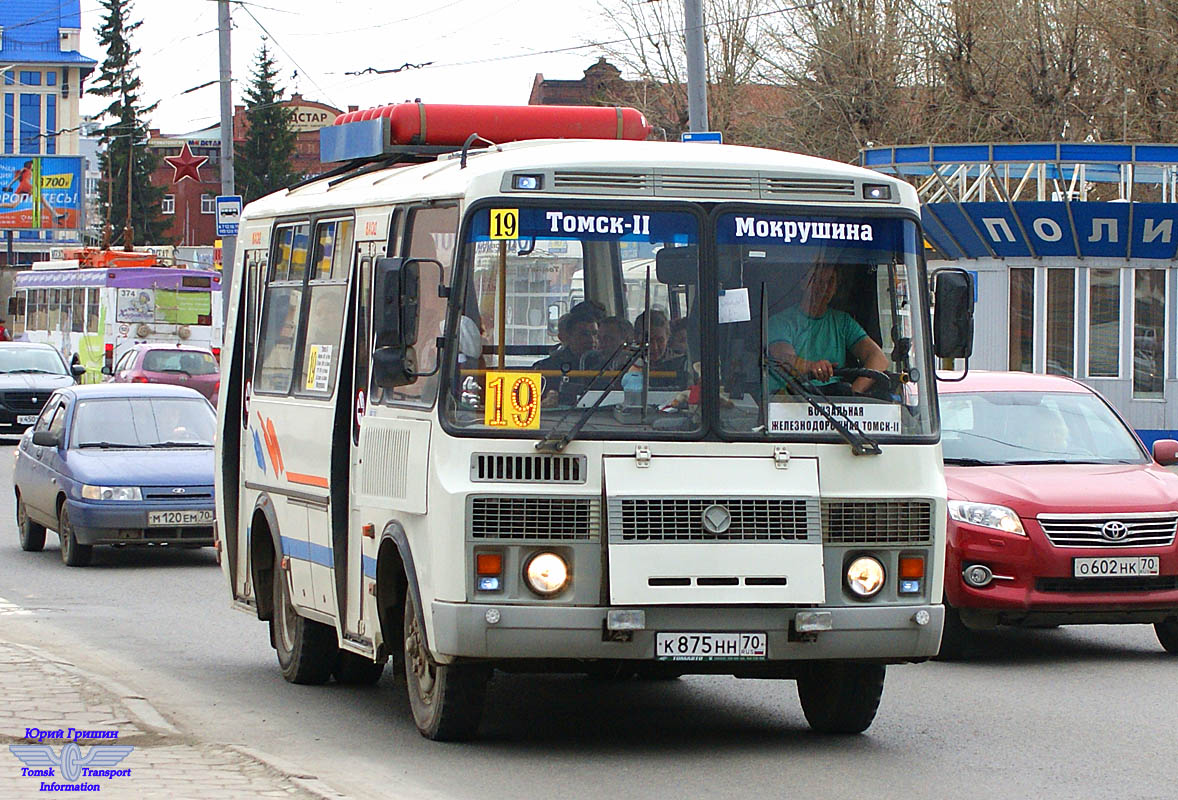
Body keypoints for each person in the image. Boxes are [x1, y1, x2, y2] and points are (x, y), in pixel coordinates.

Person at [767, 264, 888, 396]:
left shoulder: (843, 322)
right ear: (802, 283)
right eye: (817, 280)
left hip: (834, 407)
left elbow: (879, 359)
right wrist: (812, 367)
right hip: (788, 402)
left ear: (835, 288)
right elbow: (784, 358)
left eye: (830, 282)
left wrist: (853, 394)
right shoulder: (780, 322)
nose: (823, 288)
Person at [533, 301, 602, 405]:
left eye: (595, 334)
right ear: (567, 337)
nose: (592, 340)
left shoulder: (606, 365)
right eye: (584, 334)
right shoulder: (547, 369)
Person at [633, 308, 691, 389]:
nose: (654, 347)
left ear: (667, 337)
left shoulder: (682, 366)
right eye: (648, 340)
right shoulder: (626, 365)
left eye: (660, 340)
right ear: (636, 338)